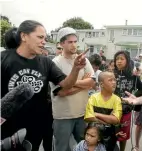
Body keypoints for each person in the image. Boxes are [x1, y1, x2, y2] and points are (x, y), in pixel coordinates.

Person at [1, 20, 86, 151]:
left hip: (36, 125)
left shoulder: (46, 62)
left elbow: (66, 85)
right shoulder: (4, 59)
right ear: (24, 36)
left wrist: (75, 69)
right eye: (40, 37)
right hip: (8, 127)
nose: (44, 42)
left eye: (45, 38)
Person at [50, 27, 95, 151]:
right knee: (62, 148)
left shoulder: (83, 60)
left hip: (82, 113)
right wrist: (83, 86)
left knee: (84, 147)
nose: (74, 45)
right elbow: (61, 92)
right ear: (61, 43)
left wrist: (70, 83)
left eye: (75, 41)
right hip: (62, 115)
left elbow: (92, 82)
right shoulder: (55, 63)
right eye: (70, 42)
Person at [113, 51, 142, 151]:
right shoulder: (111, 74)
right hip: (111, 109)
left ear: (127, 61)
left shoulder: (133, 76)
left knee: (123, 134)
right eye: (117, 59)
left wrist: (133, 97)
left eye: (122, 59)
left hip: (126, 110)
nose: (119, 61)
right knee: (112, 132)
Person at [84, 71, 122, 151]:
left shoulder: (116, 99)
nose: (114, 82)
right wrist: (108, 120)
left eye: (115, 80)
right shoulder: (93, 98)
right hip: (93, 136)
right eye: (110, 80)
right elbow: (88, 117)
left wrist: (96, 114)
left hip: (110, 137)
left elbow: (116, 120)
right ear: (101, 84)